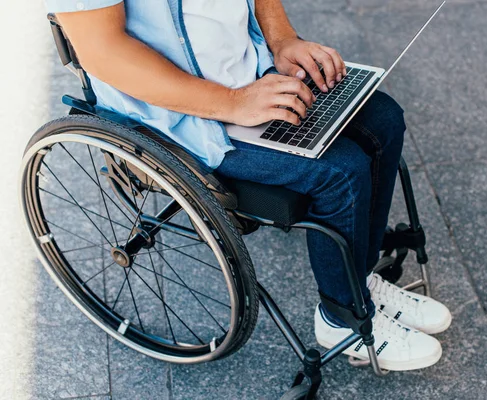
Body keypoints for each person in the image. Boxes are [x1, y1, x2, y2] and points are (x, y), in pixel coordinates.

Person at [47, 0, 452, 371]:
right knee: (339, 172)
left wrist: (282, 40)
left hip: (247, 72)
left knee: (383, 118)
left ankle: (358, 282)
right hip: (174, 117)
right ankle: (342, 318)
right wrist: (233, 102)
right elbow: (101, 50)